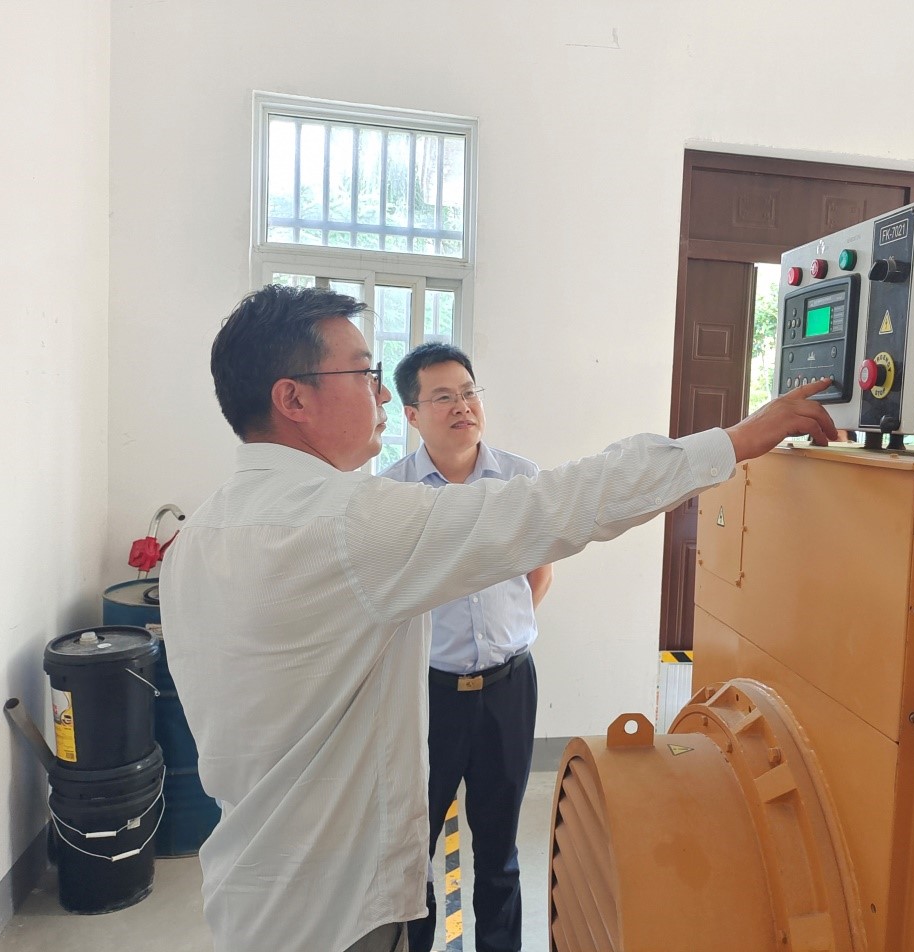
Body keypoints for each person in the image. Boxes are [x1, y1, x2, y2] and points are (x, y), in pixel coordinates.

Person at [159, 284, 838, 952]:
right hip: (337, 911)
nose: (379, 396)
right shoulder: (349, 524)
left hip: (254, 889)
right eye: (364, 373)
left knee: (497, 848)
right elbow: (559, 504)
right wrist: (734, 441)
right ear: (293, 399)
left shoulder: (199, 535)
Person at [381, 342, 551, 952]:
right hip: (426, 693)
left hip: (509, 688)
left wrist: (502, 636)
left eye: (469, 392)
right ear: (411, 414)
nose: (463, 406)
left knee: (500, 846)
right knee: (414, 845)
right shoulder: (391, 494)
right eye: (443, 397)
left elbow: (538, 574)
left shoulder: (521, 480)